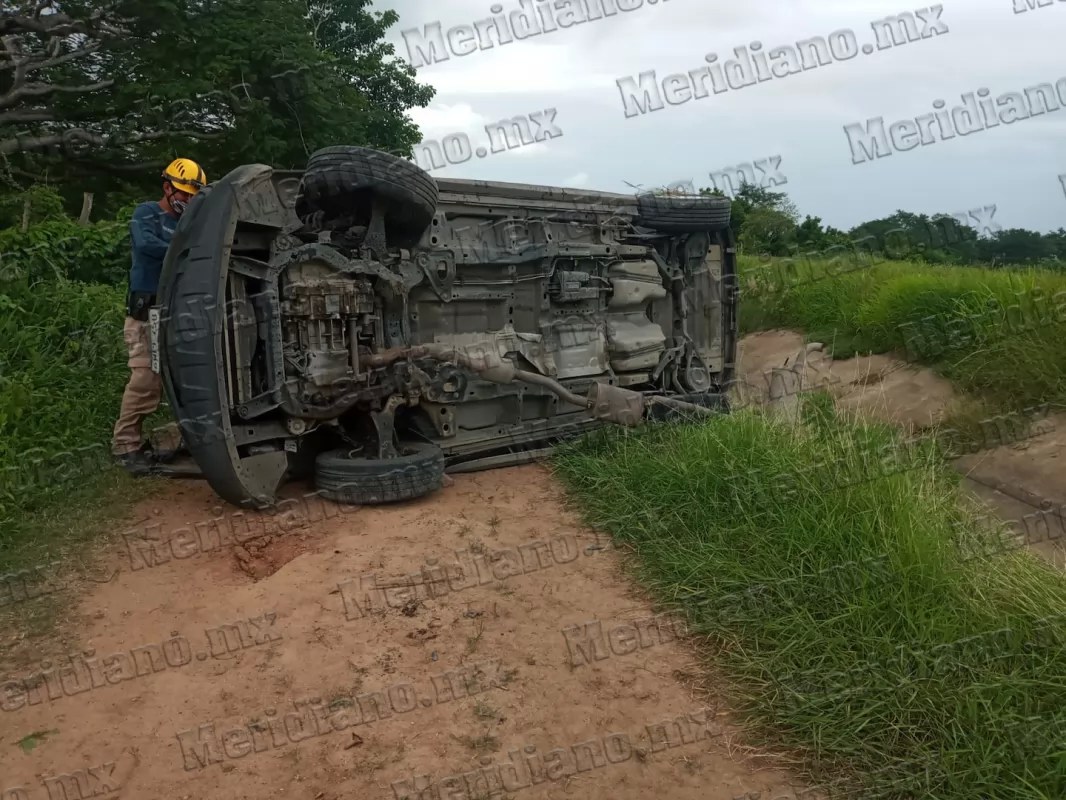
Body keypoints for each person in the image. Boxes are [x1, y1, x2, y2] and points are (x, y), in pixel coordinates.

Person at [111, 158, 207, 474]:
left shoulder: (192, 223)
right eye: (184, 194)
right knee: (145, 378)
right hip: (145, 312)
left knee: (185, 377)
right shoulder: (146, 214)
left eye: (194, 196)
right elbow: (146, 244)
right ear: (167, 188)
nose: (188, 201)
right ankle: (126, 447)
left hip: (178, 312)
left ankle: (184, 439)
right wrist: (186, 249)